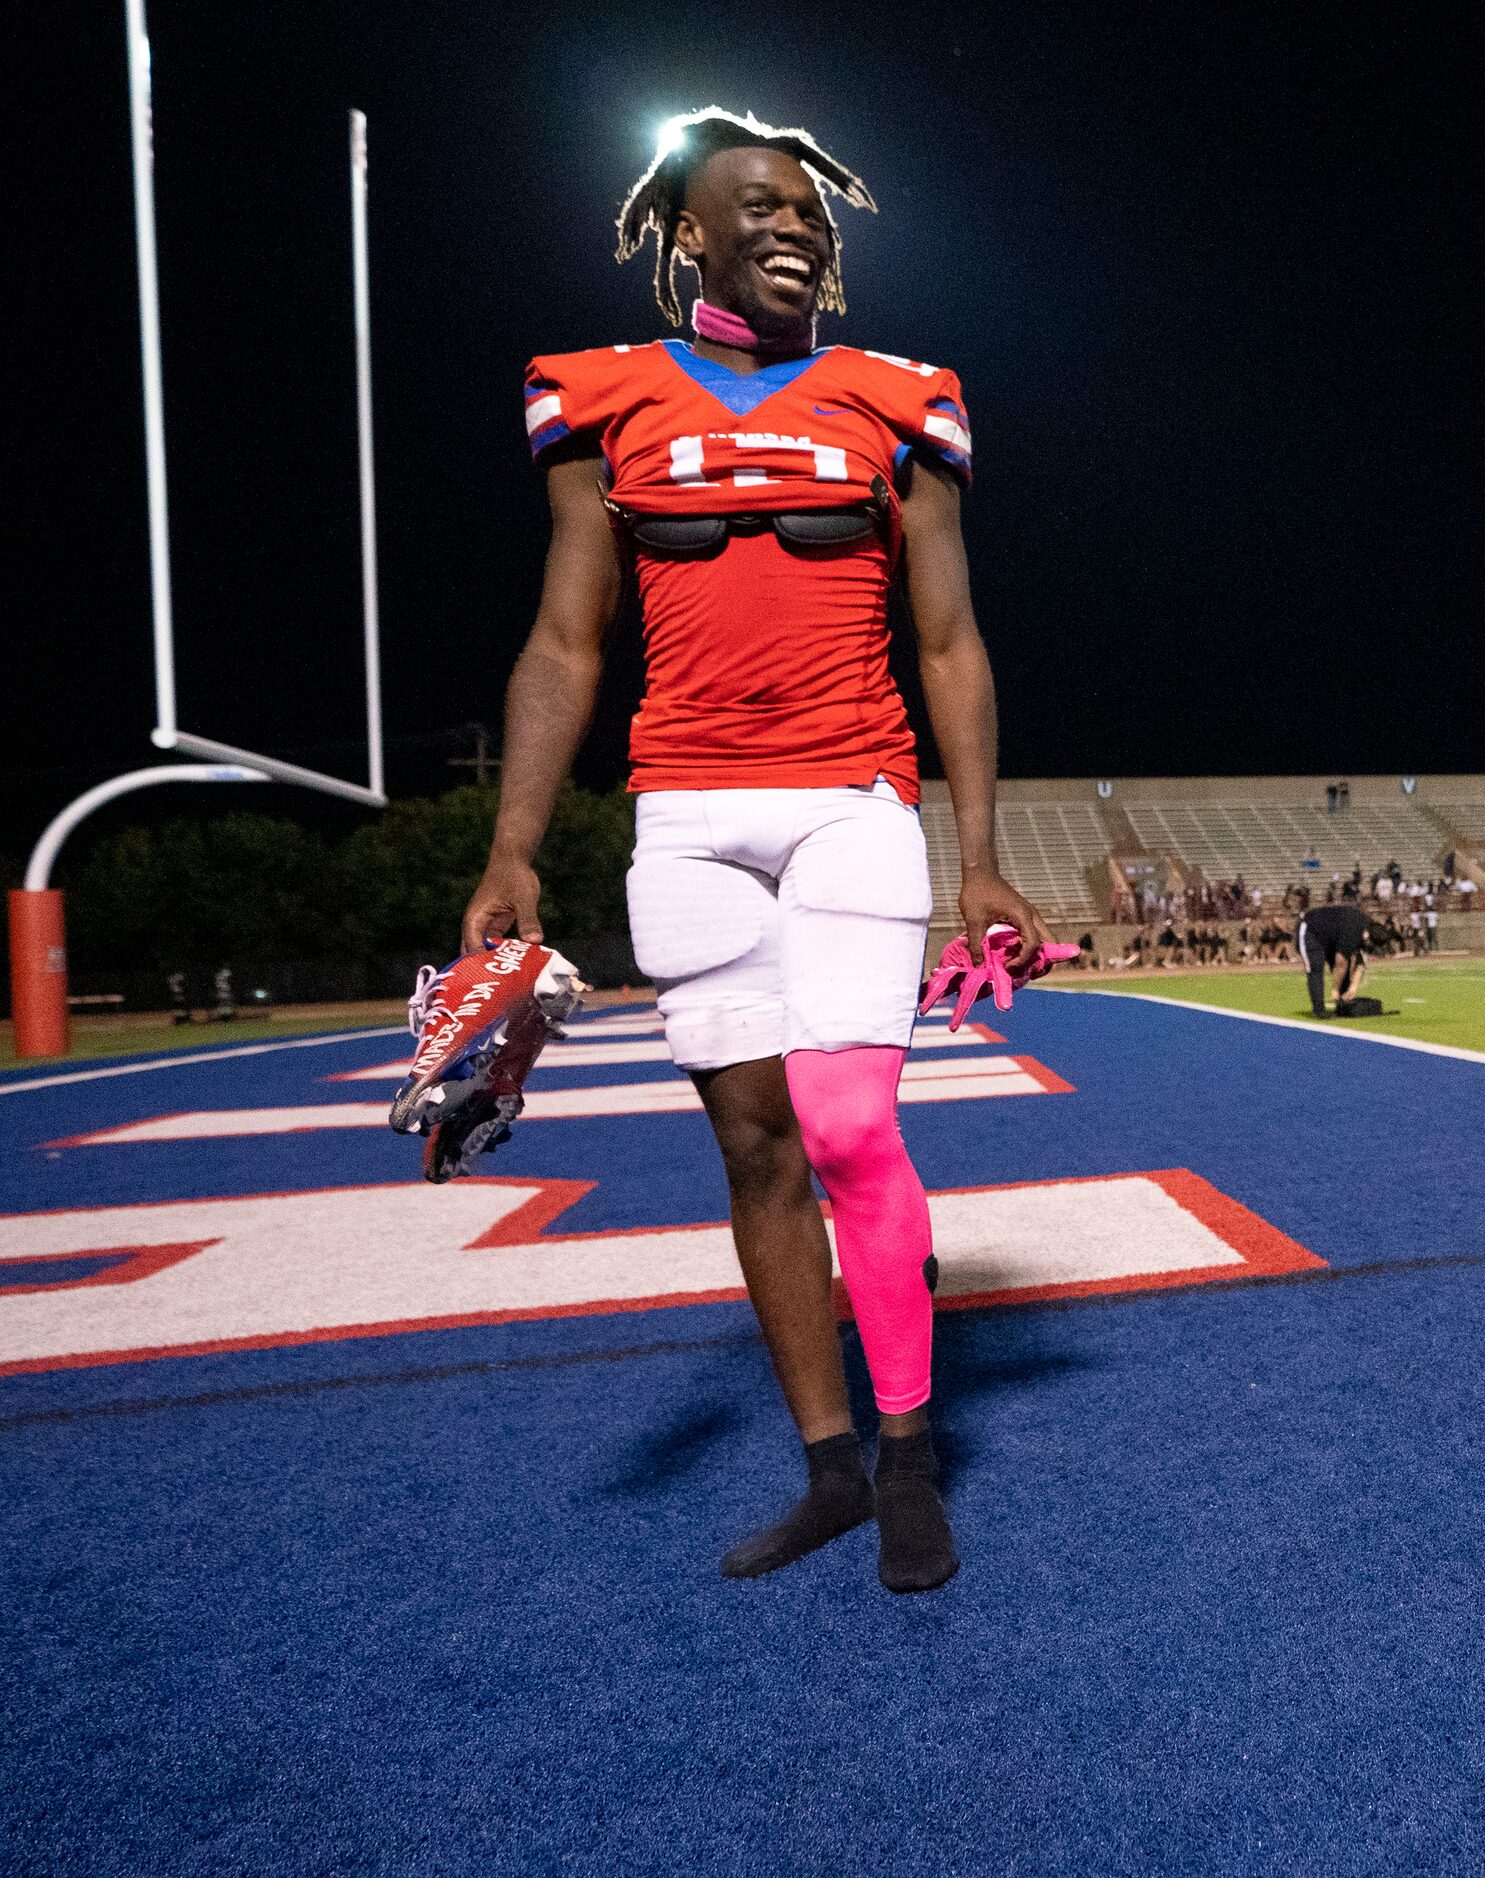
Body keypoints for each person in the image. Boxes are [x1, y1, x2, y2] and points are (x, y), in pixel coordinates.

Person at [463, 109, 1051, 1596]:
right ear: (690, 234)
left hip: (852, 798)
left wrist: (979, 852)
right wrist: (512, 845)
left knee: (849, 1127)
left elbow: (949, 637)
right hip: (684, 816)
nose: (795, 226)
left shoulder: (896, 397)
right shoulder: (604, 399)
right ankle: (829, 1468)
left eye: (810, 211)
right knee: (753, 1146)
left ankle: (914, 1451)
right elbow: (564, 638)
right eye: (760, 206)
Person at [1298, 893, 1371, 1014]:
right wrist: (1335, 990)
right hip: (1310, 929)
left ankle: (1343, 1004)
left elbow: (1360, 961)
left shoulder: (1363, 926)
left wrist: (1352, 987)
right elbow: (1340, 961)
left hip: (1331, 936)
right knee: (1316, 967)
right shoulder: (1353, 930)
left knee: (1343, 968)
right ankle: (1319, 1009)